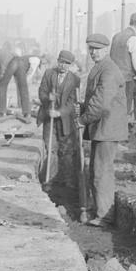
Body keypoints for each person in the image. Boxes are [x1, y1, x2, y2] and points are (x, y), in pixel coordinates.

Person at [76, 33, 128, 227]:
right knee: (97, 170)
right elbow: (95, 100)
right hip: (103, 127)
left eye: (97, 49)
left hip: (108, 129)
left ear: (106, 50)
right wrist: (82, 107)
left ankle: (105, 215)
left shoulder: (108, 71)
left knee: (101, 172)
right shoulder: (100, 68)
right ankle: (99, 210)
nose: (93, 53)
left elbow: (101, 104)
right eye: (90, 49)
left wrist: (83, 119)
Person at [36, 50, 80, 188]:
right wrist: (47, 98)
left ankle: (68, 181)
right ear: (58, 61)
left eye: (67, 64)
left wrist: (59, 113)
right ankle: (49, 179)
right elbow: (41, 91)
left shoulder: (75, 79)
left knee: (66, 150)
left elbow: (72, 103)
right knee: (52, 149)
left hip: (65, 120)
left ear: (70, 65)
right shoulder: (49, 73)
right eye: (62, 62)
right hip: (49, 119)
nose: (64, 66)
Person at [110, 12, 136, 125]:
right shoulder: (133, 39)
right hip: (126, 80)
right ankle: (121, 133)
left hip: (113, 78)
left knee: (116, 106)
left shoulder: (116, 36)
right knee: (124, 109)